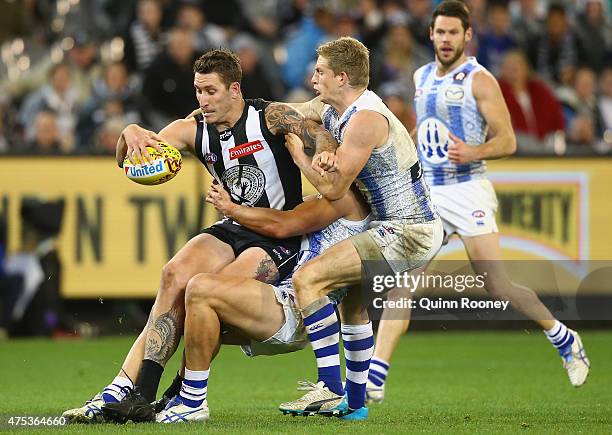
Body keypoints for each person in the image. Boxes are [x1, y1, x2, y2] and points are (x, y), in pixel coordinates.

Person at [62, 48, 339, 424]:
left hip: (276, 235)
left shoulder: (270, 115)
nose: (203, 100)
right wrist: (129, 133)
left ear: (234, 89)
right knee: (174, 276)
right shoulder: (194, 128)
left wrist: (323, 155)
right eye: (198, 91)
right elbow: (129, 159)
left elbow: (319, 133)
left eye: (210, 91)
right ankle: (128, 392)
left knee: (207, 293)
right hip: (232, 226)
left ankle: (184, 394)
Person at [365, 0, 590, 405]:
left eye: (454, 32)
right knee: (402, 285)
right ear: (431, 34)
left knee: (497, 284)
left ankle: (563, 337)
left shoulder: (480, 80)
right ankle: (376, 377)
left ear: (468, 36)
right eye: (440, 32)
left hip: (468, 188)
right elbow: (426, 131)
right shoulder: (420, 76)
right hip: (431, 193)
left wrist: (472, 151)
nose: (446, 39)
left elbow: (508, 140)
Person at [276, 36, 444, 421]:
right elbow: (296, 110)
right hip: (390, 223)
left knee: (309, 279)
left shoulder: (367, 119)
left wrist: (301, 157)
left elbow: (334, 189)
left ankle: (329, 388)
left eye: (320, 71)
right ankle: (354, 406)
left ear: (342, 76)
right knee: (352, 304)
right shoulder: (334, 105)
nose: (313, 76)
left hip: (408, 230)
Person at [155, 175, 371, 423]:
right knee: (196, 317)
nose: (324, 165)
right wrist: (356, 404)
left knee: (200, 288)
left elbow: (283, 223)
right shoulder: (348, 210)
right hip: (286, 307)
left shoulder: (345, 199)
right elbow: (356, 315)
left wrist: (231, 208)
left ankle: (192, 401)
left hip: (291, 310)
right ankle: (180, 396)